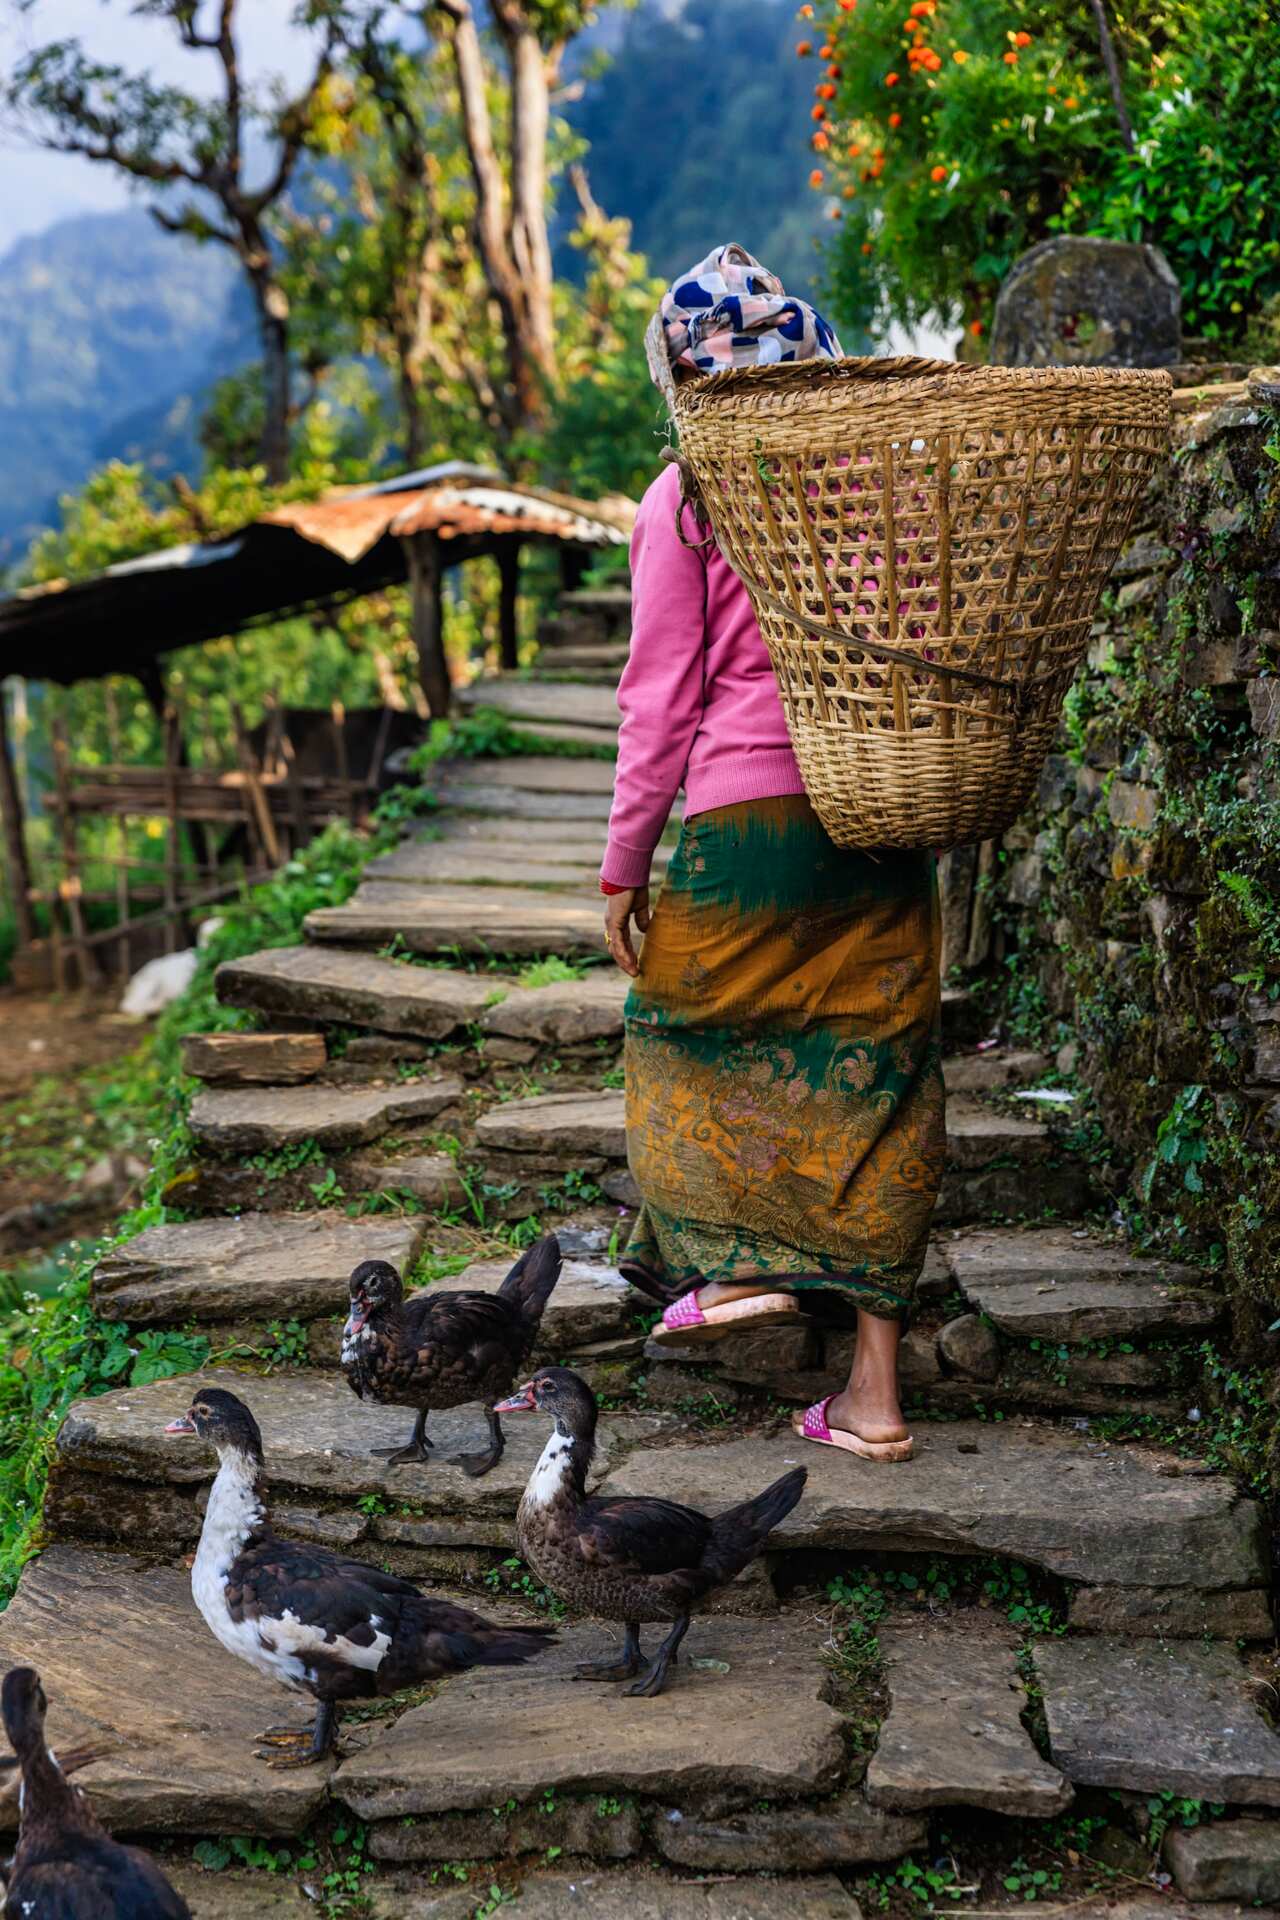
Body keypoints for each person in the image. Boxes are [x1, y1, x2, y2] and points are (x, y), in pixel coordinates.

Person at [600, 245, 944, 1464]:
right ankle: (873, 1398)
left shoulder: (683, 496)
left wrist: (622, 864)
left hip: (740, 825)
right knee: (882, 1077)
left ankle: (736, 1269)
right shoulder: (879, 488)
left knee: (678, 1035)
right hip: (877, 814)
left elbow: (656, 706)